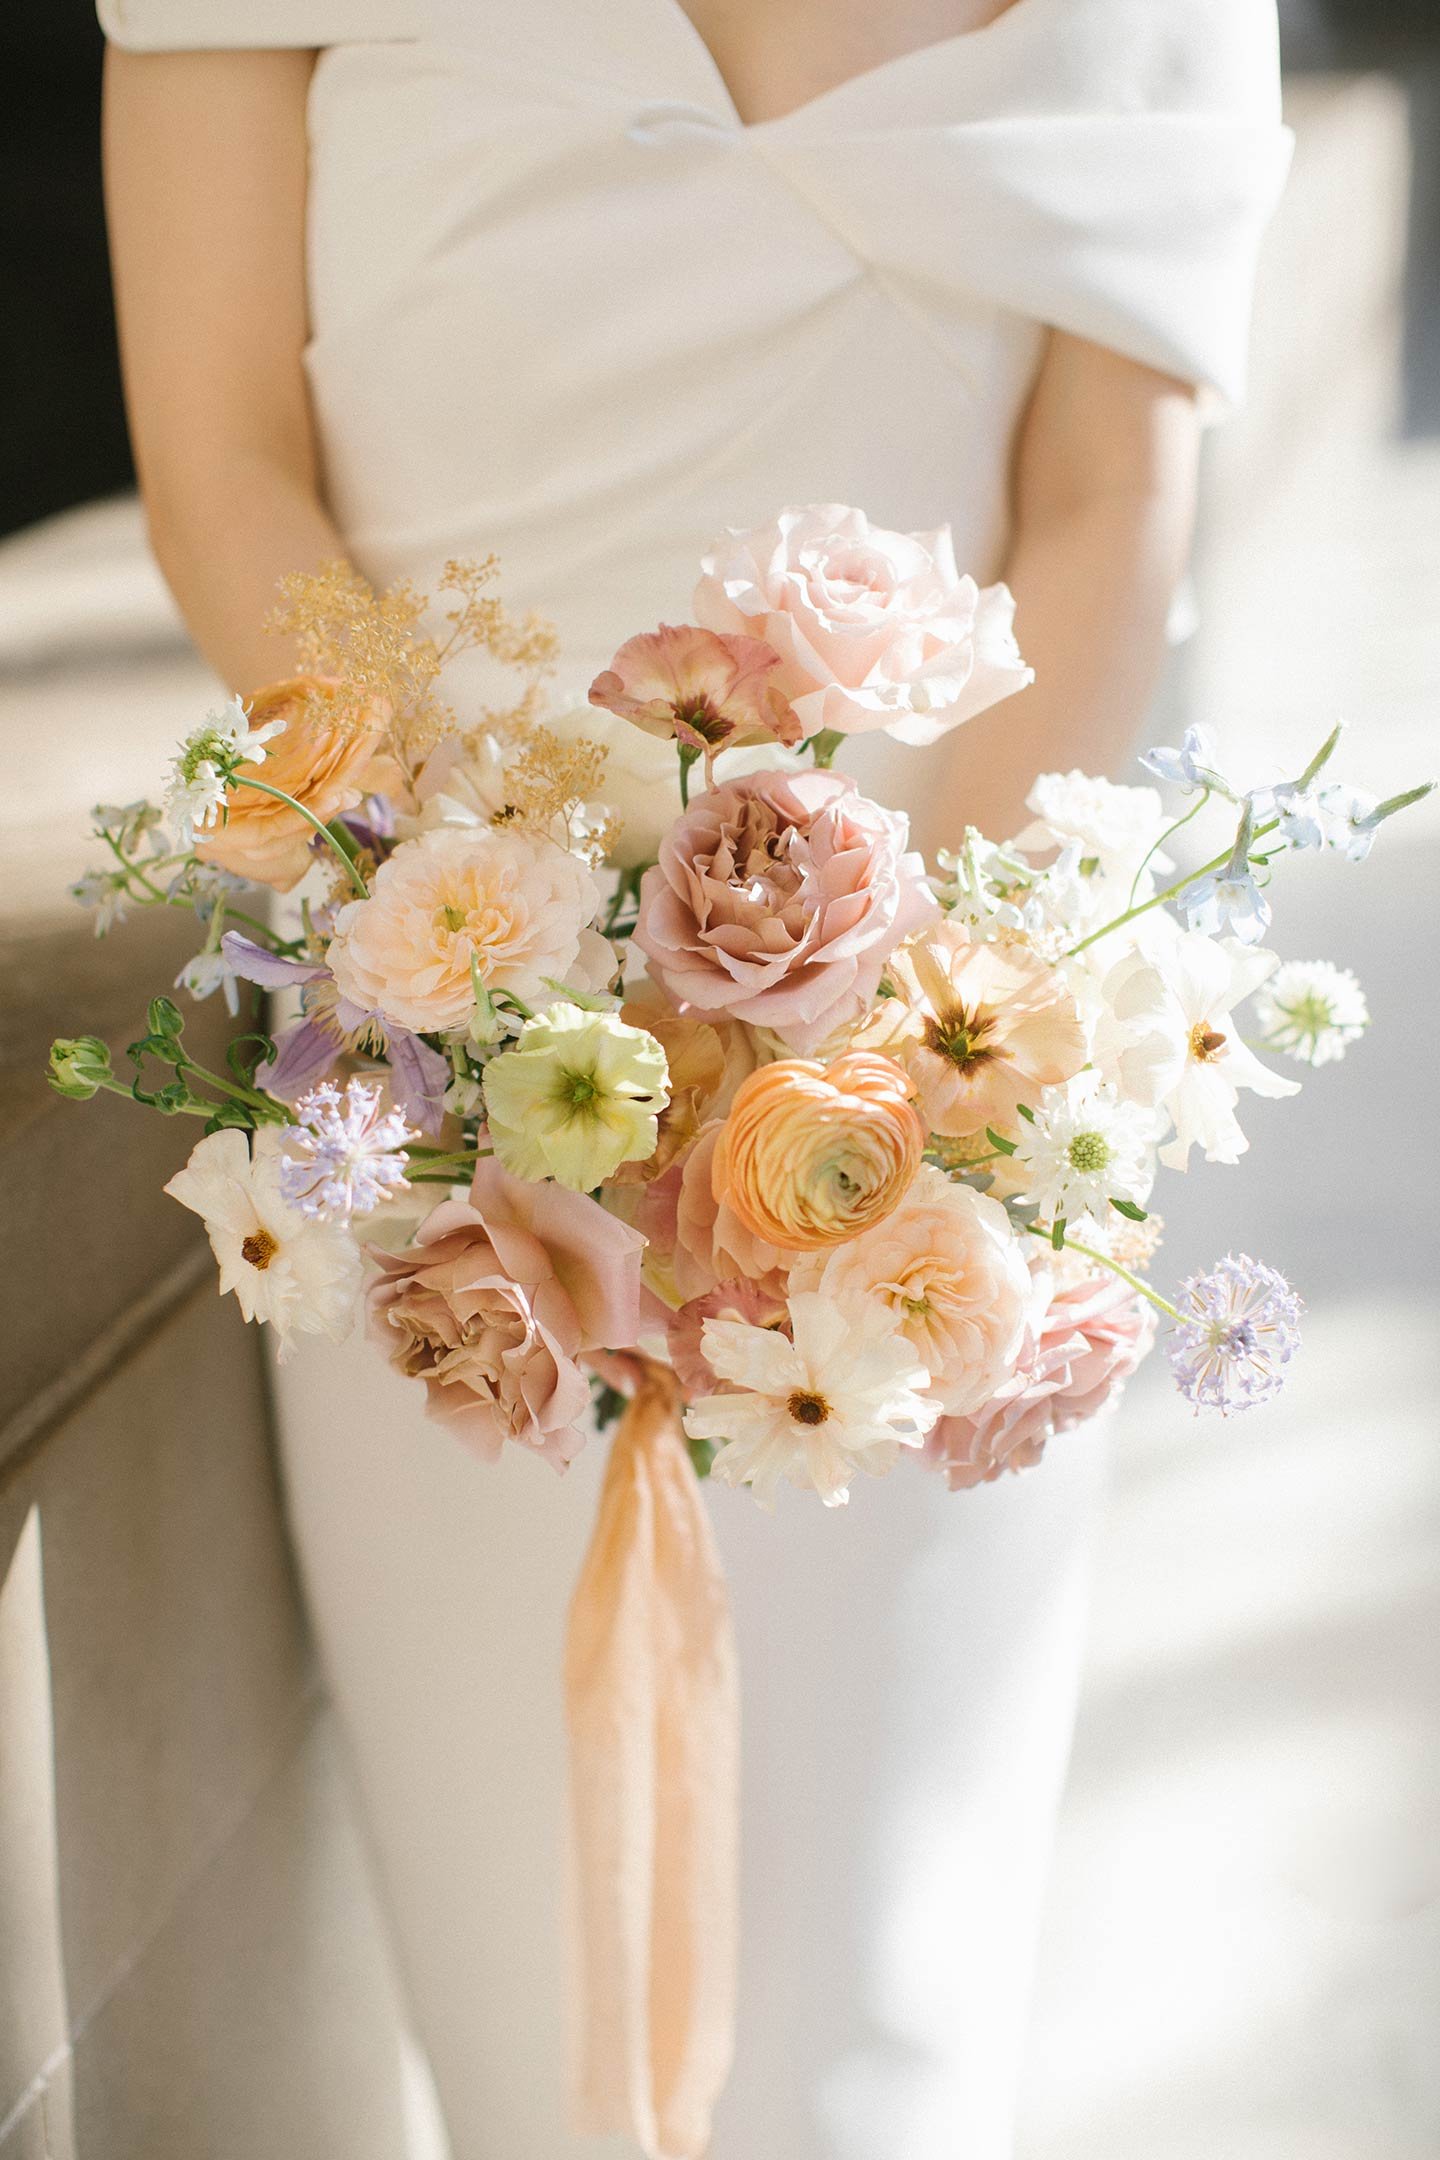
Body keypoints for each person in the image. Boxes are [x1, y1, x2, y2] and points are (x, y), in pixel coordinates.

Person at [98, 4, 1290, 2153]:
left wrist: (920, 1034)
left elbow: (1108, 492)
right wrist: (496, 943)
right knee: (530, 2001)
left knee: (880, 2024)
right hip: (434, 1088)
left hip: (924, 1135)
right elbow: (219, 460)